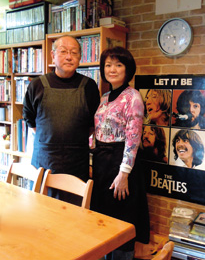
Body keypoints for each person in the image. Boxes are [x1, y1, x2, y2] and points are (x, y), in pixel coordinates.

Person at [23, 35, 100, 203]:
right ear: (52, 55)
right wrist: (49, 138)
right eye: (63, 51)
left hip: (76, 162)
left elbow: (93, 124)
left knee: (74, 214)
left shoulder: (89, 86)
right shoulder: (37, 85)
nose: (69, 56)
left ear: (80, 57)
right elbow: (29, 119)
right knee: (41, 210)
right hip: (44, 160)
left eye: (74, 52)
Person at [91, 46, 150, 260]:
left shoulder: (132, 97)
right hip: (101, 163)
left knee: (122, 217)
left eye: (118, 64)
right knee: (103, 218)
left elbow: (133, 137)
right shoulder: (105, 96)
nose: (112, 69)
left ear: (128, 69)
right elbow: (100, 128)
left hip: (121, 164)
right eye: (108, 65)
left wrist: (124, 173)